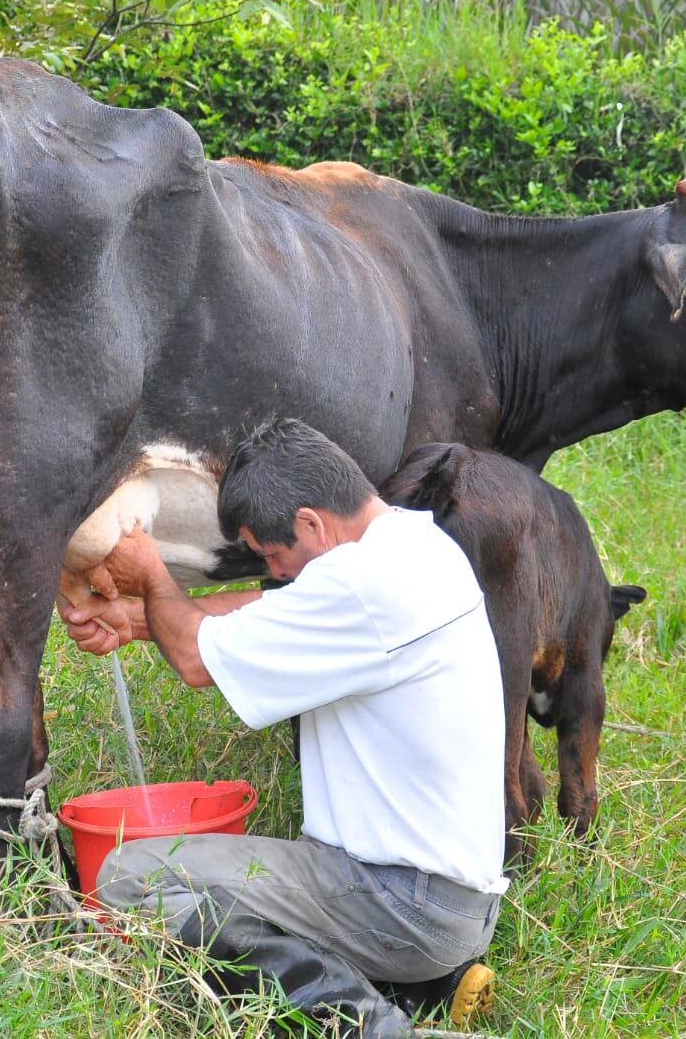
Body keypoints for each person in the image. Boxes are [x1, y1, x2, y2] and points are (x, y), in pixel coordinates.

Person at [61, 418, 507, 1038]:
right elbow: (265, 613)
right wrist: (133, 618)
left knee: (128, 876)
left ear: (310, 525)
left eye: (274, 557)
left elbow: (195, 659)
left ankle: (376, 1027)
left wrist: (151, 576)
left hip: (401, 903)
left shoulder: (360, 585)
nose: (277, 573)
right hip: (449, 904)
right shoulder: (415, 549)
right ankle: (422, 986)